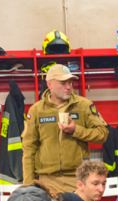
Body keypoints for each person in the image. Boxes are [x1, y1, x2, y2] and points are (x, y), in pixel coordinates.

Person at [21, 64, 109, 193]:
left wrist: (76, 130)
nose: (68, 87)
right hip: (47, 181)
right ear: (49, 84)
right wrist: (28, 185)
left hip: (79, 179)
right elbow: (29, 149)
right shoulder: (36, 110)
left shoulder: (84, 105)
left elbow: (103, 134)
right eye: (63, 83)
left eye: (70, 82)